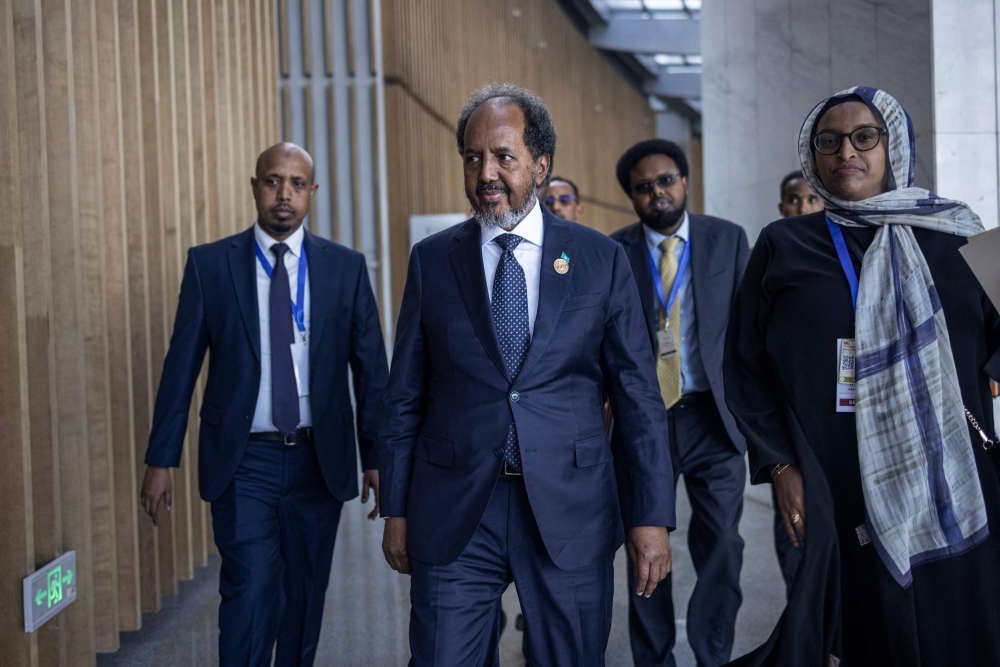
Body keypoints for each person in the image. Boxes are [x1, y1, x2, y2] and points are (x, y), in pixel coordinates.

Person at [378, 83, 675, 667]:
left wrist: (651, 515)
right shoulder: (433, 260)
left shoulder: (599, 259)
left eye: (503, 157)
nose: (485, 172)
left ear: (541, 166)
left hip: (570, 507)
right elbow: (404, 395)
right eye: (472, 157)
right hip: (457, 506)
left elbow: (638, 397)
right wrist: (396, 508)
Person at [725, 87, 1000, 666]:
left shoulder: (960, 231)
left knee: (957, 625)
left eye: (863, 137)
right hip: (834, 477)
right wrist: (779, 464)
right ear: (812, 154)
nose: (845, 151)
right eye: (829, 140)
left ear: (893, 143)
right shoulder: (784, 244)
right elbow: (747, 368)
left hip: (950, 473)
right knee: (863, 631)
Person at [140, 143, 388, 667]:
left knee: (303, 596)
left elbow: (371, 370)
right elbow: (180, 366)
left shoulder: (344, 269)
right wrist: (161, 458)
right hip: (243, 461)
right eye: (274, 181)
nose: (285, 195)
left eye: (297, 184)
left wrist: (379, 456)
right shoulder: (210, 266)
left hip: (317, 461)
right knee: (249, 592)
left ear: (313, 193)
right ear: (255, 186)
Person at [610, 139, 750, 667]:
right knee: (646, 547)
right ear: (631, 195)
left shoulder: (727, 240)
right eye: (644, 187)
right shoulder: (613, 250)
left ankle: (714, 654)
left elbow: (752, 329)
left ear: (686, 182)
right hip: (644, 423)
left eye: (666, 180)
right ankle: (654, 659)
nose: (658, 193)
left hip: (714, 418)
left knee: (722, 547)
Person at [769, 170, 824, 597]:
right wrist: (779, 462)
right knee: (796, 541)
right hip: (790, 435)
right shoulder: (769, 258)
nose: (802, 207)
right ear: (781, 206)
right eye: (793, 199)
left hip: (843, 424)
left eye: (811, 199)